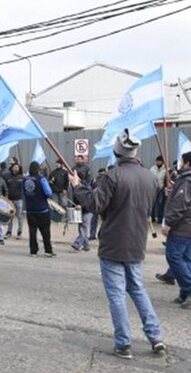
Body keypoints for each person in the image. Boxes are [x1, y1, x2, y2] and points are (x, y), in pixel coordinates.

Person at [70, 129, 165, 359]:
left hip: (113, 242)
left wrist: (77, 186)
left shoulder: (112, 176)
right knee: (138, 289)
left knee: (116, 295)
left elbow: (94, 204)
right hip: (136, 242)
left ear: (117, 152)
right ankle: (156, 338)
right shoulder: (150, 177)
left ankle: (123, 343)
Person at [161, 151, 191, 308]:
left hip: (183, 225)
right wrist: (173, 191)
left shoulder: (188, 181)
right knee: (186, 258)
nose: (180, 165)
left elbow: (180, 205)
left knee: (173, 257)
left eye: (182, 162)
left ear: (187, 163)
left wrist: (168, 223)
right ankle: (185, 292)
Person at [23, 161, 55, 258]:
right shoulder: (42, 179)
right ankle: (48, 250)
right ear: (38, 169)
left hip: (30, 209)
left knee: (32, 231)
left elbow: (23, 193)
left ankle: (33, 251)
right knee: (45, 231)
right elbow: (48, 193)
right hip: (42, 209)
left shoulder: (25, 180)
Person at [5, 162, 24, 240]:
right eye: (14, 167)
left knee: (20, 216)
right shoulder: (8, 177)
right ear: (12, 168)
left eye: (17, 167)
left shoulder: (22, 178)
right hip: (10, 200)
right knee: (10, 216)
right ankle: (9, 232)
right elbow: (5, 188)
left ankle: (19, 232)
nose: (16, 168)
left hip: (19, 200)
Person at [150, 156, 167, 223]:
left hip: (161, 189)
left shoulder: (165, 169)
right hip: (153, 188)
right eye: (157, 161)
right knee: (152, 204)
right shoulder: (152, 169)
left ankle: (160, 219)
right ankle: (152, 218)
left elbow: (166, 179)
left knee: (160, 204)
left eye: (159, 161)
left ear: (162, 162)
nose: (158, 162)